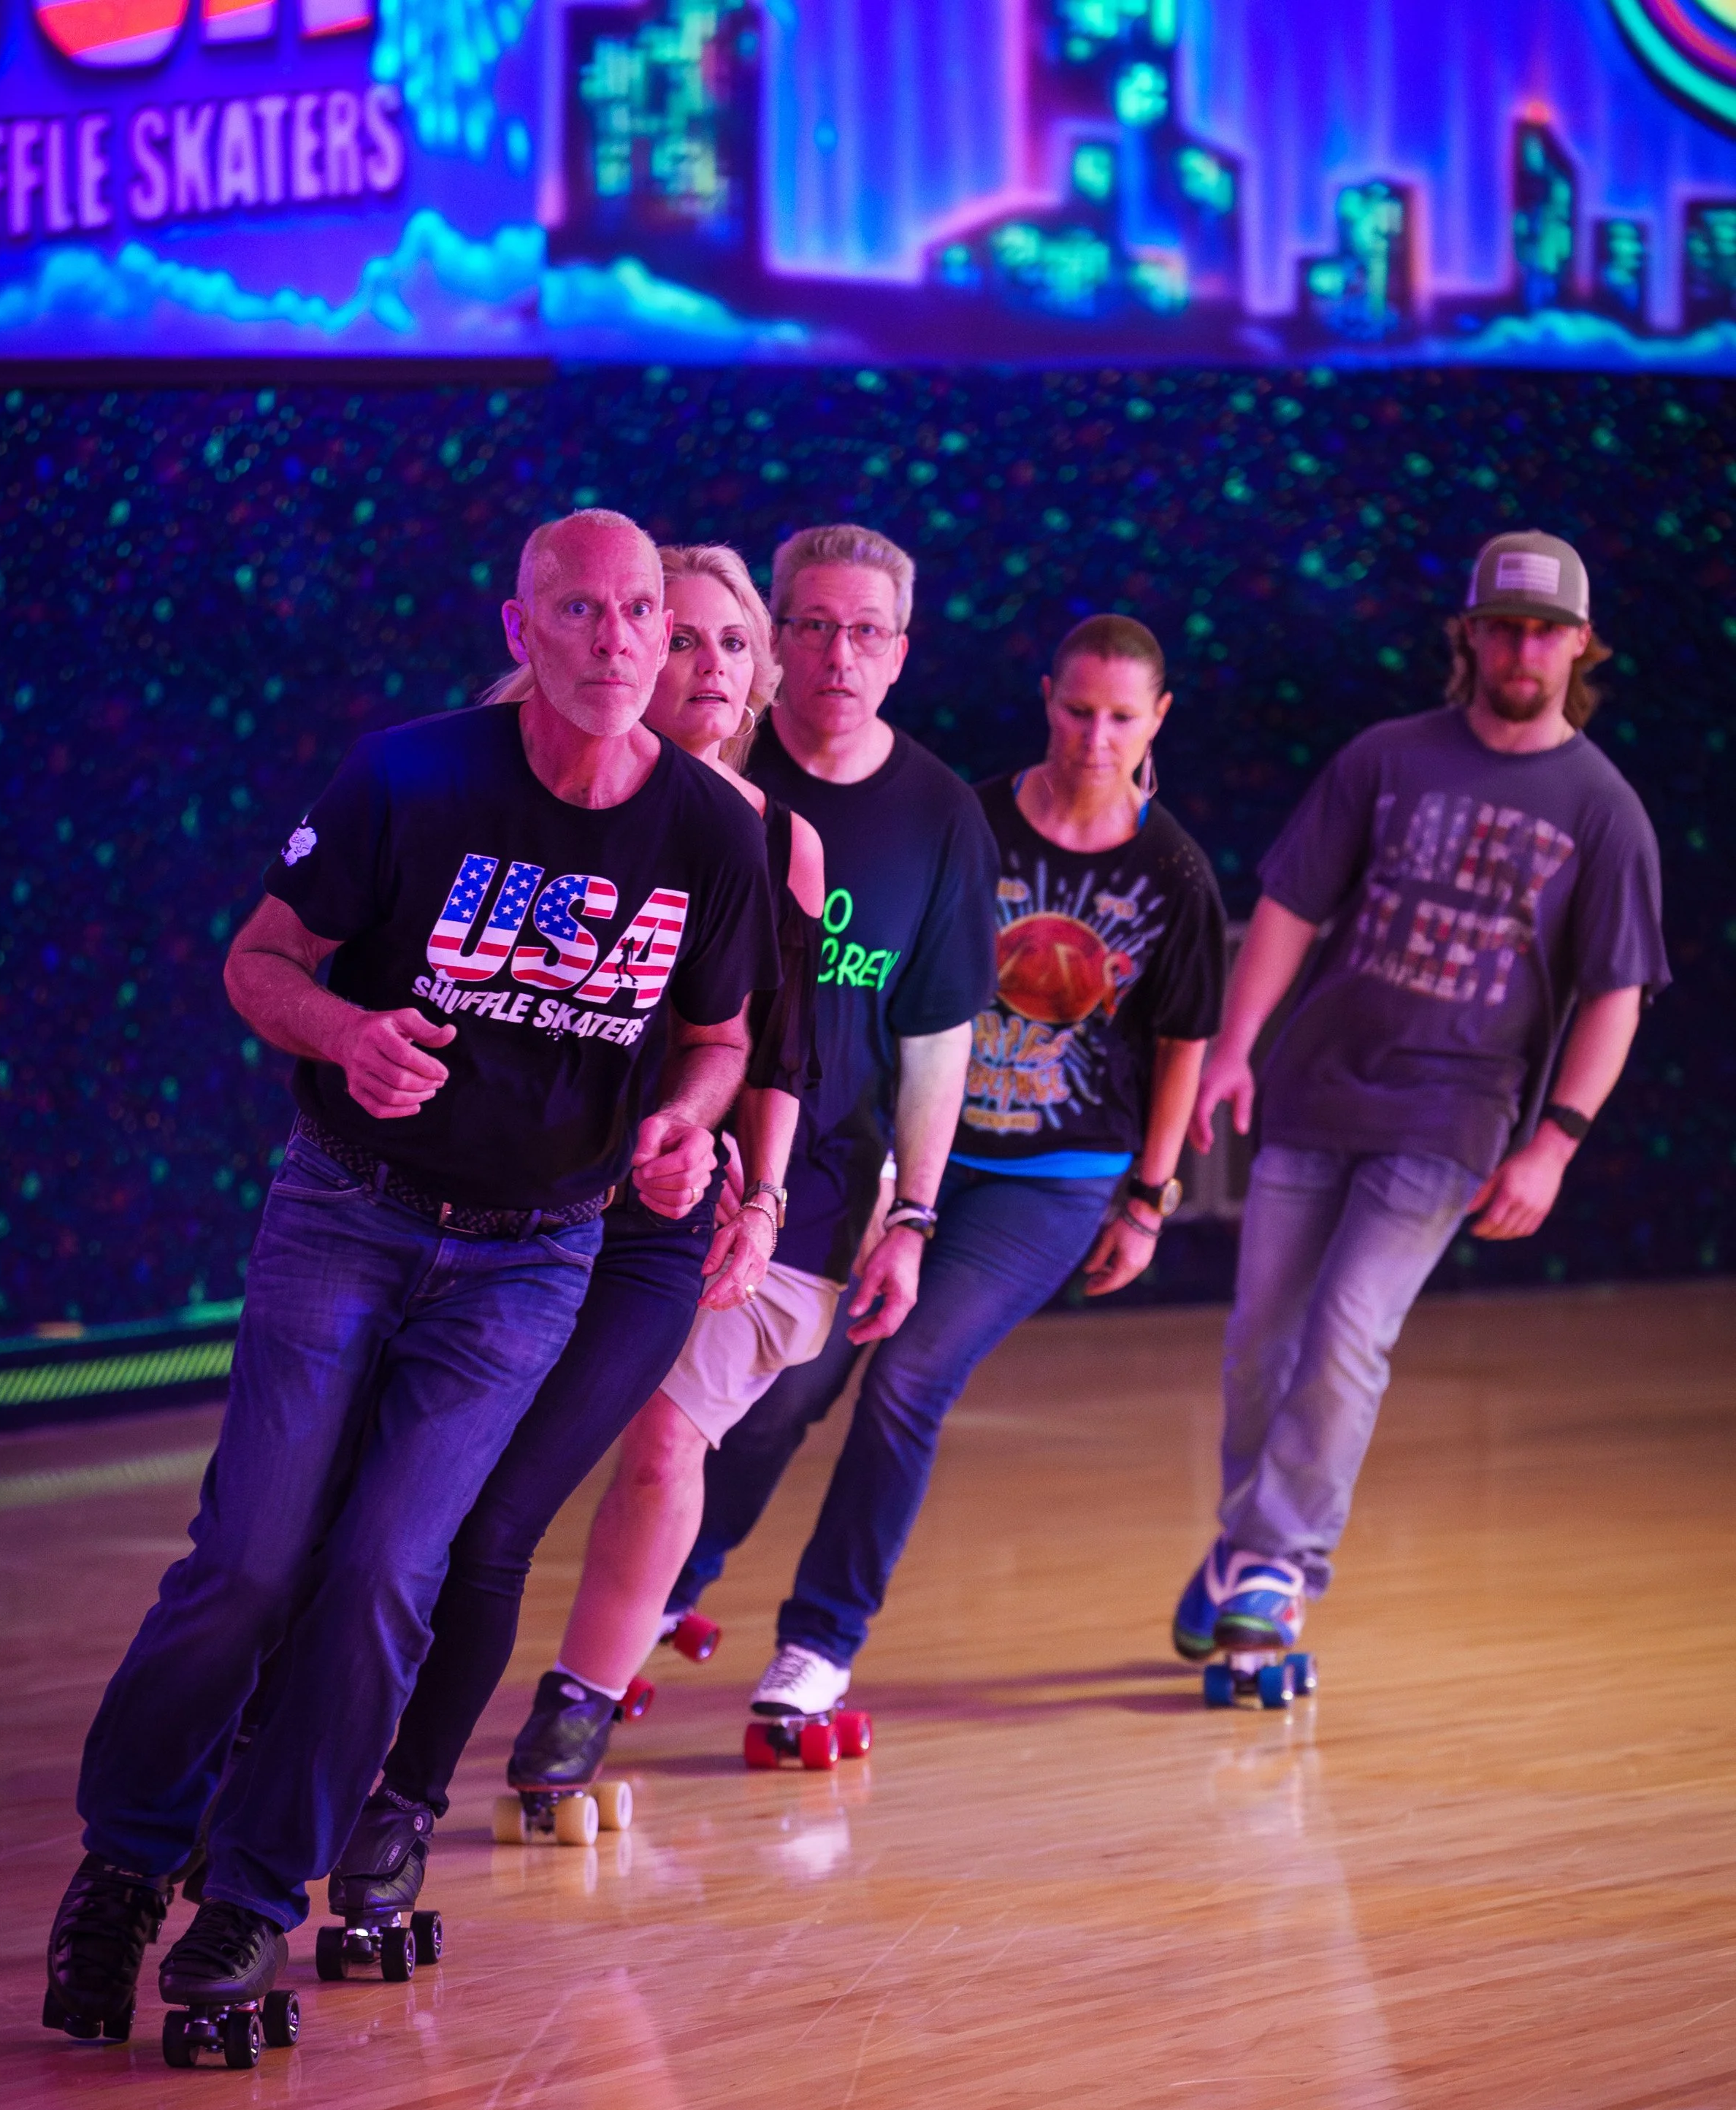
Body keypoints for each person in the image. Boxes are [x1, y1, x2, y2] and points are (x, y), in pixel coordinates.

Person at [43, 509, 779, 2046]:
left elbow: (718, 1041)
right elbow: (260, 962)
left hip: (530, 1257)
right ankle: (124, 1859)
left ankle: (251, 1896)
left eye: (641, 611)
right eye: (577, 613)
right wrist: (347, 1036)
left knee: (390, 1572)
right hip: (346, 1214)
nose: (617, 641)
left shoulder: (713, 832)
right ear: (521, 634)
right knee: (251, 1558)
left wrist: (679, 1128)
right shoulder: (408, 777)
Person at [342, 542, 827, 1859]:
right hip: (481, 1198)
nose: (709, 669)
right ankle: (292, 1761)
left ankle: (410, 1799)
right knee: (384, 1506)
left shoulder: (775, 837)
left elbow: (774, 1052)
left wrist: (764, 1195)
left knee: (499, 1514)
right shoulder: (492, 781)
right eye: (684, 639)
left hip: (645, 1226)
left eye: (734, 644)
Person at [669, 613, 1225, 1720]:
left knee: (909, 1380)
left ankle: (820, 1642)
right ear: (1045, 699)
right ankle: (669, 1584)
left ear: (1157, 719)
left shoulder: (1172, 870)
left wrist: (1149, 1201)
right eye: (1076, 708)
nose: (1094, 735)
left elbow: (1182, 1042)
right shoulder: (964, 818)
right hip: (901, 1152)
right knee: (785, 1380)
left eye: (1122, 716)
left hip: (1051, 1178)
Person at [1173, 530, 1669, 1662]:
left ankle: (1278, 1566)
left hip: (1457, 1111)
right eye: (1504, 625)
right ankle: (1244, 1547)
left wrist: (1555, 1145)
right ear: (1471, 634)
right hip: (1316, 1086)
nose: (1523, 646)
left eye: (1546, 629)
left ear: (1581, 643)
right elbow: (1292, 905)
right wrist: (1235, 1046)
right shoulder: (1385, 758)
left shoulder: (1604, 811)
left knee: (1347, 1332)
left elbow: (1615, 995)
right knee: (1260, 1341)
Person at [655, 522, 1006, 1728]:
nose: (837, 656)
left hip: (817, 1196)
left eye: (865, 633)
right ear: (772, 644)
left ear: (899, 654)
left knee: (772, 1413)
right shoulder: (708, 768)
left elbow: (936, 1041)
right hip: (651, 1170)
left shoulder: (943, 815)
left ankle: (670, 1598)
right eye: (810, 627)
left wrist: (911, 1214)